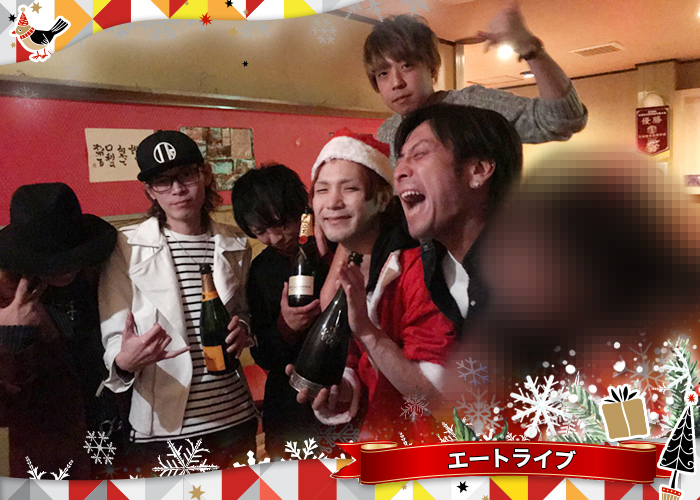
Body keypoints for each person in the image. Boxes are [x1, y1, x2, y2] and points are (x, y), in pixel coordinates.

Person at [99, 130, 258, 468]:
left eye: (186, 175)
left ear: (205, 175)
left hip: (235, 416)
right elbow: (114, 341)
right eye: (163, 181)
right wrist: (125, 360)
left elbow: (245, 311)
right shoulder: (126, 248)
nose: (177, 189)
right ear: (149, 191)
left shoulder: (235, 243)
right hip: (165, 429)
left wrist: (243, 328)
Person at [290, 129, 456, 443]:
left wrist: (367, 331)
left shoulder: (416, 267)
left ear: (381, 199)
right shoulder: (350, 264)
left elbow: (435, 396)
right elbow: (359, 362)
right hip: (380, 436)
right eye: (322, 190)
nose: (332, 202)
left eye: (349, 188)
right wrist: (341, 391)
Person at [363, 5, 587, 160]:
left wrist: (529, 48)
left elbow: (561, 120)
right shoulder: (387, 133)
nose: (396, 83)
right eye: (383, 73)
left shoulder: (471, 106)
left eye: (407, 66)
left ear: (431, 68)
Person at [0, 183, 117, 479]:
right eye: (52, 262)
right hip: (51, 464)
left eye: (72, 256)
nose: (65, 267)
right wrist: (11, 341)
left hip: (116, 443)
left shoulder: (102, 279)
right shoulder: (4, 301)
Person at [232, 163, 340, 459]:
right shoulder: (262, 269)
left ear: (301, 207)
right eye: (261, 231)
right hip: (290, 408)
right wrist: (286, 327)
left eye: (281, 224)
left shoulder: (339, 246)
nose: (276, 237)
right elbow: (262, 356)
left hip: (346, 392)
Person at [393, 103, 523, 332]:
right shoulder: (437, 265)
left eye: (419, 154)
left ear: (478, 170)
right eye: (400, 159)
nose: (399, 172)